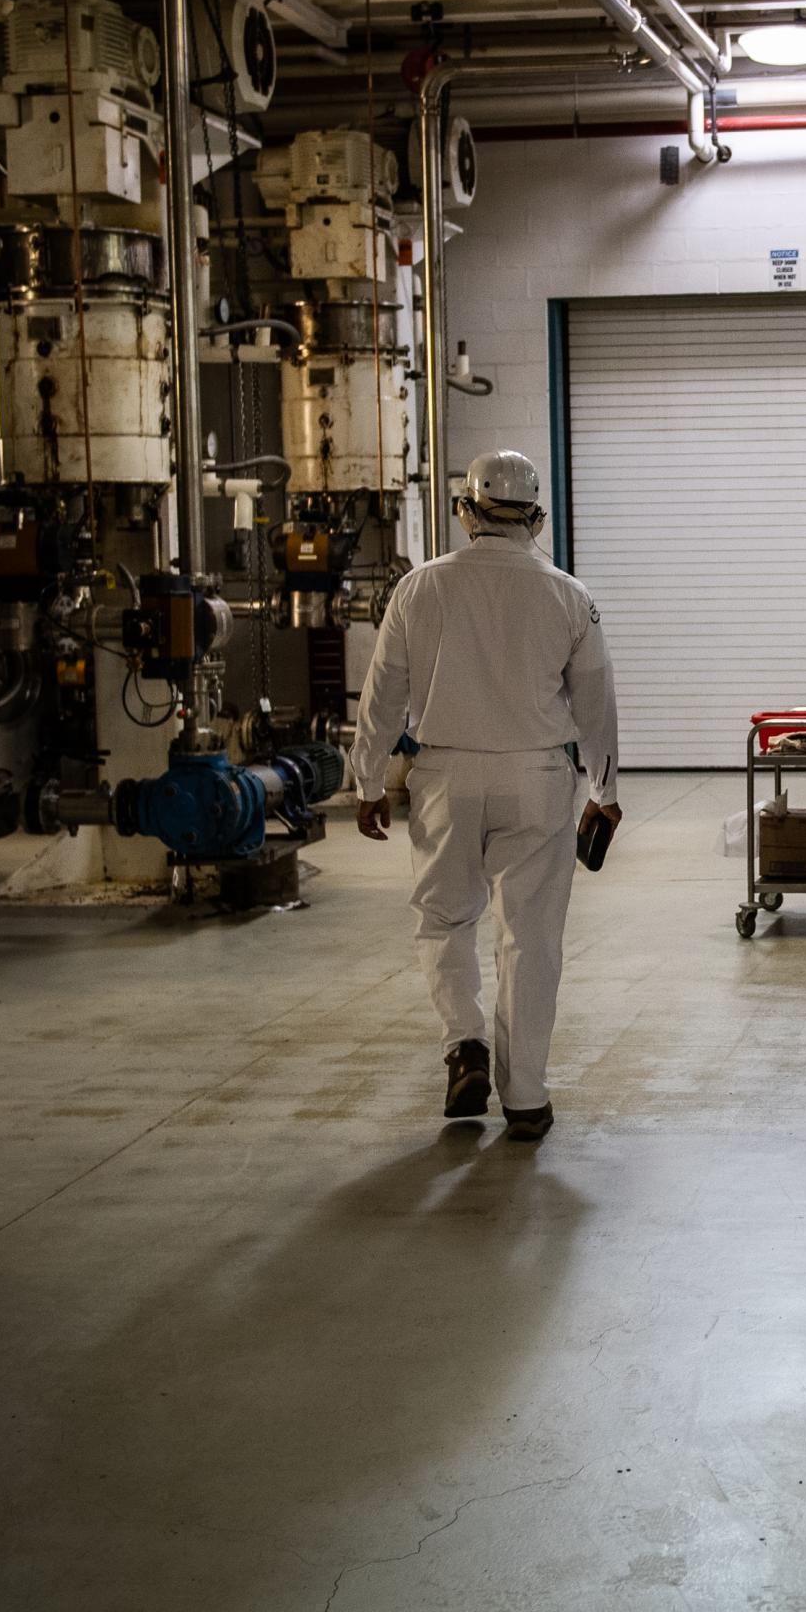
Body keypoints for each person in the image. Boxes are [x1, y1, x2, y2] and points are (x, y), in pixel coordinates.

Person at [349, 449, 621, 1142]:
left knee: (444, 919)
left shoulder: (419, 588)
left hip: (444, 777)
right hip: (536, 780)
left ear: (464, 512)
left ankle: (463, 1043)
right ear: (536, 517)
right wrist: (604, 787)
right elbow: (596, 703)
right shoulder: (570, 594)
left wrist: (369, 779)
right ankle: (525, 1096)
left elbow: (383, 693)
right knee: (529, 937)